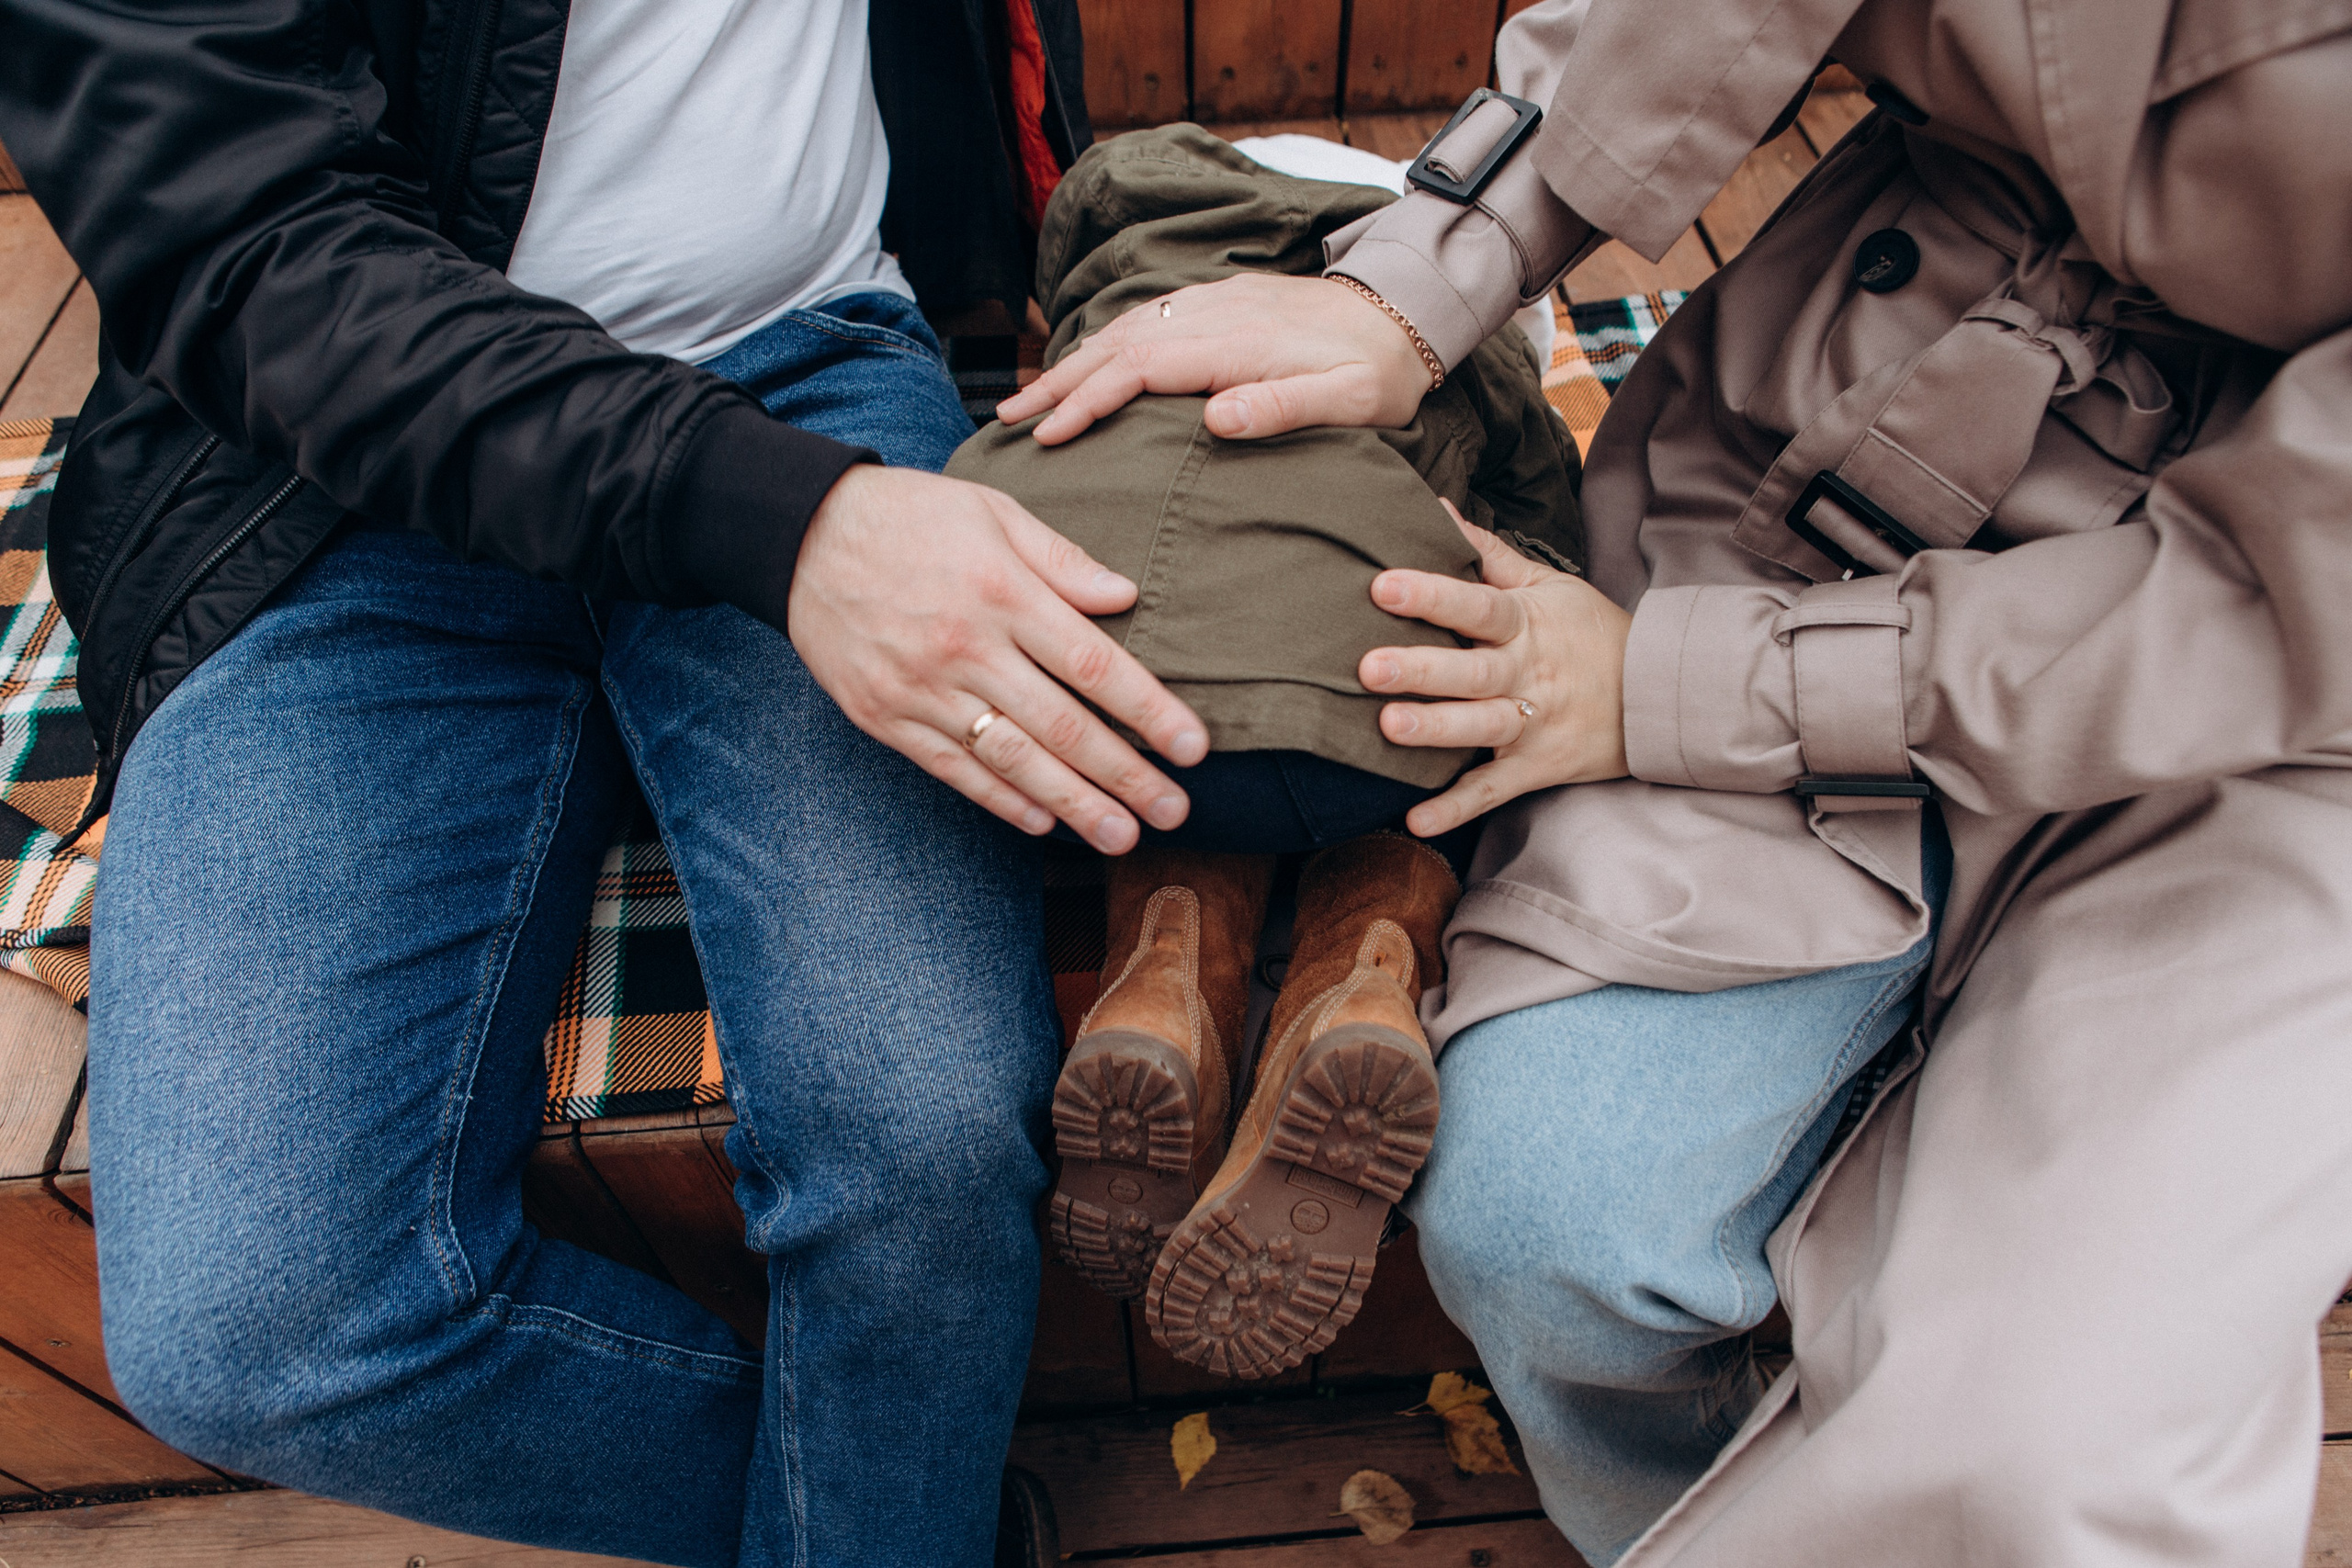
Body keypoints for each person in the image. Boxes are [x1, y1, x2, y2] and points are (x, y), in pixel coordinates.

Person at [999, 0, 2352, 1563]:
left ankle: (1222, 953)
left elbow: (2266, 609)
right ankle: (1369, 961)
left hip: (2260, 717)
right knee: (1538, 1217)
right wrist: (1429, 272)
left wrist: (1656, 684)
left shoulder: (1135, 235)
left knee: (2050, 1453)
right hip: (1818, 483)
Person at [0, 1, 1209, 1564]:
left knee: (925, 1147)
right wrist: (795, 530)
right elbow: (242, 247)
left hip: (812, 362)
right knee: (255, 1332)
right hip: (323, 479)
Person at [949, 123, 1585, 1376]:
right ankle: (1363, 975)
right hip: (1346, 724)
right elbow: (1538, 517)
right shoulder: (1438, 313)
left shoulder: (1127, 282)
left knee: (1184, 740)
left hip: (1062, 707)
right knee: (1421, 686)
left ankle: (1166, 975)